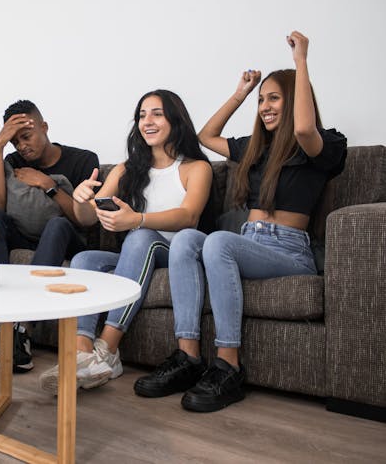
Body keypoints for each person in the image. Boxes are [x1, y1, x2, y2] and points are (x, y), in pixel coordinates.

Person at [134, 31, 347, 412]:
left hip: (288, 251)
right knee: (185, 239)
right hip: (249, 242)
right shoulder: (255, 148)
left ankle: (229, 366)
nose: (265, 106)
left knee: (216, 240)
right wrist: (242, 92)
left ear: (297, 97)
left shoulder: (324, 145)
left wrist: (301, 63)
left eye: (274, 98)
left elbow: (302, 129)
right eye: (263, 100)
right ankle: (188, 357)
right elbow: (206, 136)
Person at [37, 90, 213, 393]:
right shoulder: (126, 169)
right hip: (139, 251)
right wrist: (80, 199)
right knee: (84, 261)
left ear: (176, 119)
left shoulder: (196, 168)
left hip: (176, 251)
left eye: (157, 113)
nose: (148, 121)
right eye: (142, 115)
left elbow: (189, 215)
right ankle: (82, 354)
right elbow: (88, 217)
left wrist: (138, 220)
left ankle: (108, 349)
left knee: (140, 236)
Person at [0, 100, 100, 372]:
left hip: (67, 239)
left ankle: (22, 330)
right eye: (15, 142)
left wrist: (48, 185)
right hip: (24, 234)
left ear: (44, 127)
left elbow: (84, 221)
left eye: (27, 137)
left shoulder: (84, 159)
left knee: (57, 224)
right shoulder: (12, 161)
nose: (22, 146)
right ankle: (1, 324)